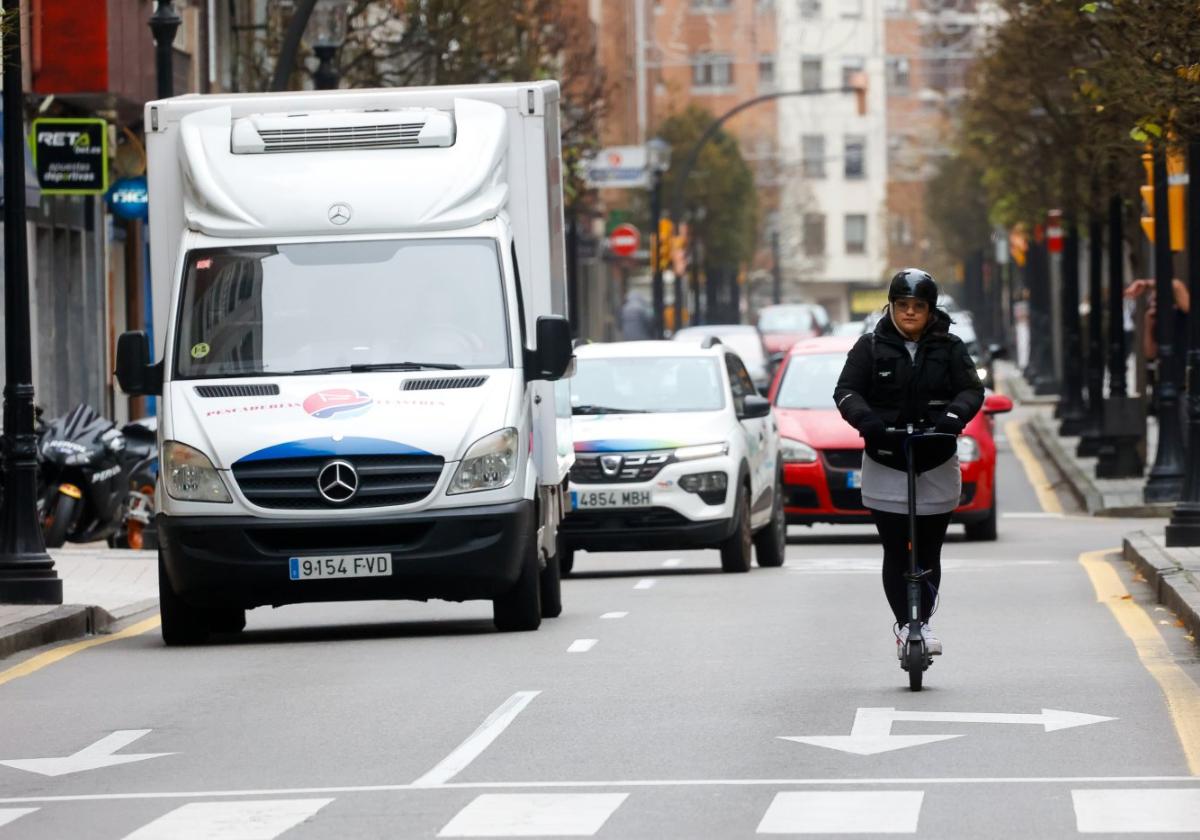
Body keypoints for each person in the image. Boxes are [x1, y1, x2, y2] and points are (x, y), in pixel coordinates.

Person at [833, 269, 984, 659]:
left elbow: (971, 389)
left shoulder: (950, 347)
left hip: (935, 457)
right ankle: (905, 625)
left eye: (919, 306)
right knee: (896, 550)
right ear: (891, 307)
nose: (911, 313)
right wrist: (869, 423)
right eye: (903, 306)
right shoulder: (869, 347)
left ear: (931, 310)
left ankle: (925, 620)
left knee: (929, 550)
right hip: (887, 458)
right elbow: (846, 390)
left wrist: (953, 419)